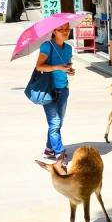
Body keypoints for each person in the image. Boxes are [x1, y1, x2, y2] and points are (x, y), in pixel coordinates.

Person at [36, 23, 75, 161]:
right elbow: (39, 66)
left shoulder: (69, 48)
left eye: (67, 29)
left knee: (59, 123)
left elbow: (67, 65)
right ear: (54, 31)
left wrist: (69, 70)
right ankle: (59, 154)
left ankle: (49, 149)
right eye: (61, 30)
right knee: (54, 123)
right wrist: (57, 67)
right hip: (48, 90)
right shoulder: (47, 46)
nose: (65, 32)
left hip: (63, 89)